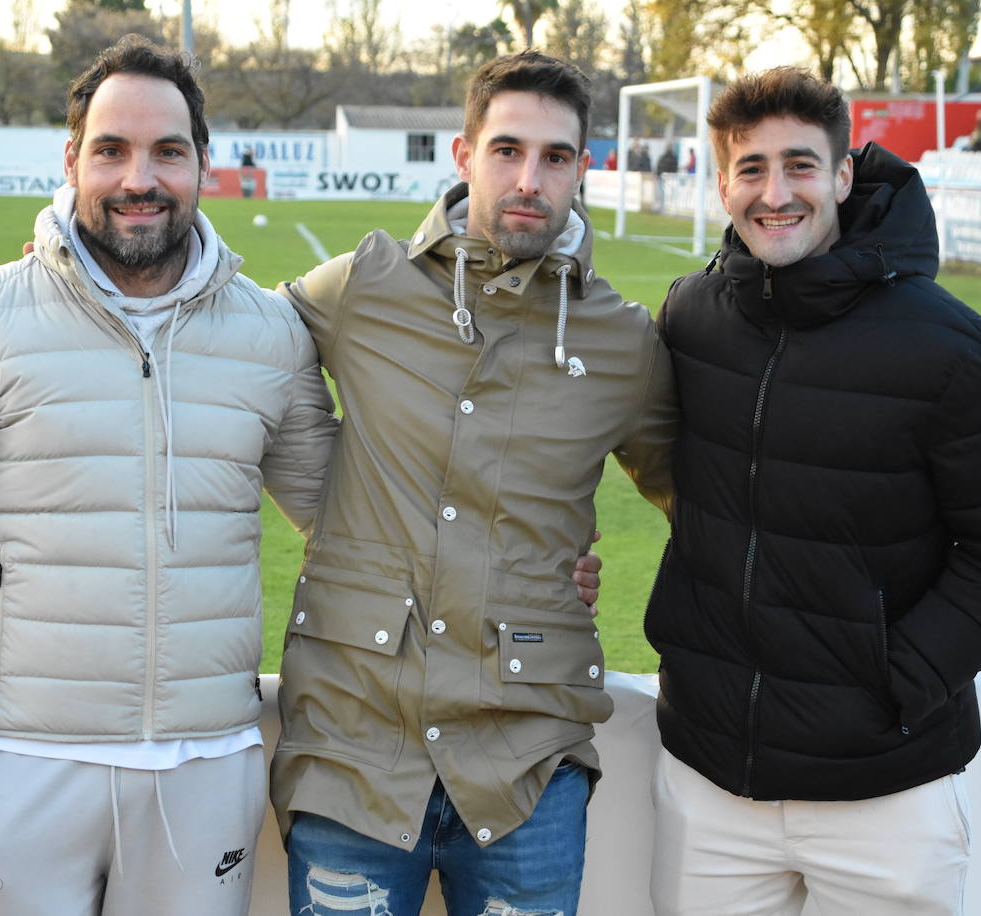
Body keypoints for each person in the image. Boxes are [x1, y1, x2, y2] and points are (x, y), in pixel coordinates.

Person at [0, 35, 338, 915]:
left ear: (203, 163)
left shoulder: (270, 334)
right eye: (112, 150)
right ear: (72, 160)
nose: (139, 179)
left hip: (206, 770)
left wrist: (534, 564)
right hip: (18, 769)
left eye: (167, 151)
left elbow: (353, 524)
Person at [645, 66, 981, 915]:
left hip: (888, 793)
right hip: (711, 781)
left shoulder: (955, 348)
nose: (776, 193)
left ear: (844, 174)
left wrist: (896, 680)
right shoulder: (689, 316)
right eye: (752, 168)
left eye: (800, 165)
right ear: (723, 182)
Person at [270, 50, 678, 915]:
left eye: (555, 157)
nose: (529, 179)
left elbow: (703, 499)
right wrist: (55, 290)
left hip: (525, 768)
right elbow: (223, 344)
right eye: (507, 150)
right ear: (463, 155)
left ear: (583, 168)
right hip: (354, 751)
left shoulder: (621, 342)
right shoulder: (364, 286)